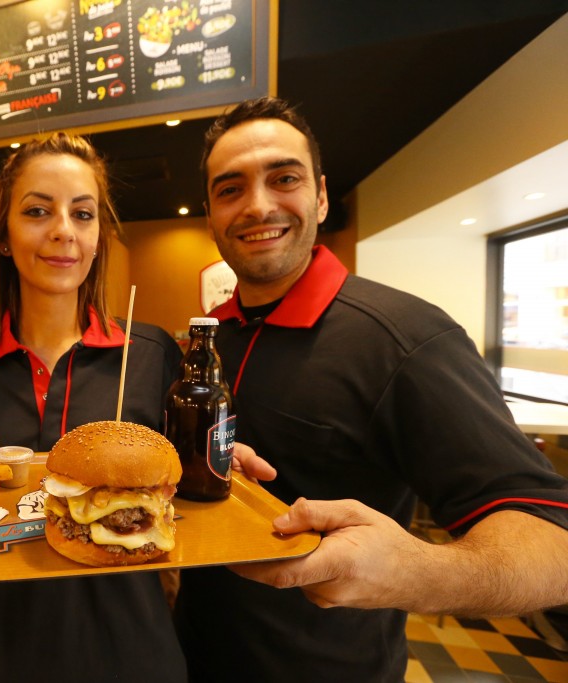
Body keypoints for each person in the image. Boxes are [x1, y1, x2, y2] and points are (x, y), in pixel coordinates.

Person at [173, 96, 568, 681]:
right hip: (191, 657)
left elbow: (552, 536)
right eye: (230, 189)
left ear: (322, 195)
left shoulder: (406, 338)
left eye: (284, 178)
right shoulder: (214, 340)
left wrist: (417, 572)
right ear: (210, 214)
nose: (257, 206)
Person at [0, 132, 187, 681]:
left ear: (99, 237)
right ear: (5, 237)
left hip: (129, 652)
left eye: (82, 215)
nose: (63, 230)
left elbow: (184, 508)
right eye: (38, 210)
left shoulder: (152, 355)